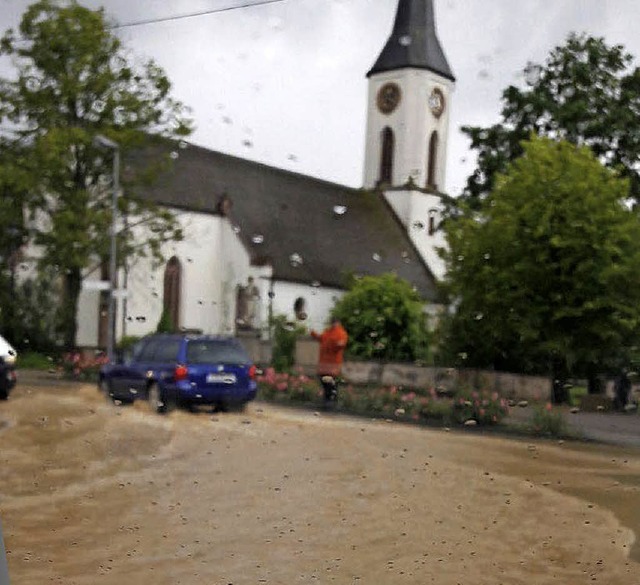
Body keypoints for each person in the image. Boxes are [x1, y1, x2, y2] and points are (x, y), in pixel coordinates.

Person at [310, 317, 348, 405]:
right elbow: (320, 338)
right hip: (324, 364)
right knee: (325, 383)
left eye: (334, 322)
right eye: (332, 323)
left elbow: (341, 344)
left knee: (331, 384)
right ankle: (327, 400)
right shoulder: (328, 332)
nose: (333, 324)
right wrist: (313, 332)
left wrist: (336, 344)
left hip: (333, 364)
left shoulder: (341, 333)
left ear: (338, 323)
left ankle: (331, 401)